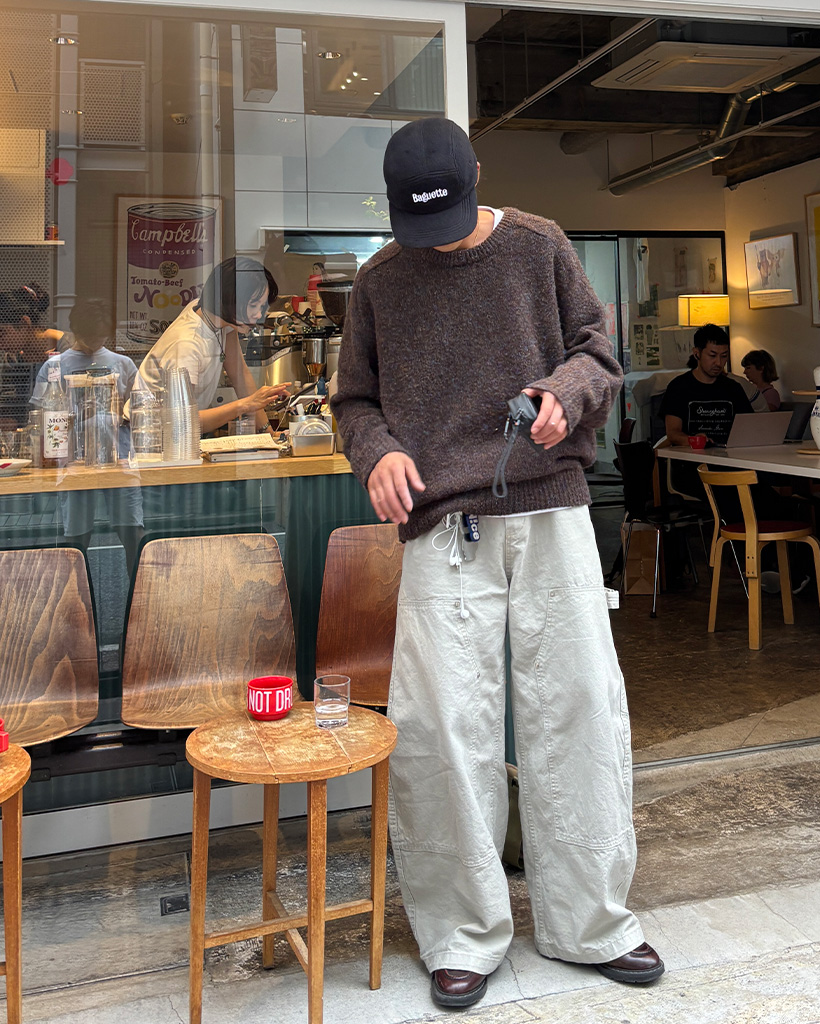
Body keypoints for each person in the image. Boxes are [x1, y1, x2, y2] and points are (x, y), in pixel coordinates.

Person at [332, 117, 663, 1011]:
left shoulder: (539, 246)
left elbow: (599, 354)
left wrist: (564, 394)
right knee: (443, 730)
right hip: (444, 523)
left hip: (549, 505)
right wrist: (378, 453)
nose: (435, 243)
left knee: (579, 708)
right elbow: (353, 401)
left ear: (477, 175)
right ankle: (460, 932)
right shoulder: (380, 281)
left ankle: (592, 921)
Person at [31, 299, 145, 574]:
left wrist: (119, 411)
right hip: (73, 463)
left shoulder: (123, 364)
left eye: (101, 336)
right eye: (89, 336)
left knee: (132, 532)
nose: (95, 342)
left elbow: (141, 411)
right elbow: (41, 416)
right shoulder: (54, 366)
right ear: (75, 330)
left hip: (119, 459)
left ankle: (139, 588)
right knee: (75, 540)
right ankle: (75, 591)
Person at [131, 257, 289, 434]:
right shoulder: (187, 344)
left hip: (177, 433)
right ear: (229, 300)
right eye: (253, 305)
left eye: (262, 306)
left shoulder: (216, 316)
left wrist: (268, 432)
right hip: (148, 435)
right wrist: (244, 405)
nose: (258, 315)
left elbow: (239, 374)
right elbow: (181, 422)